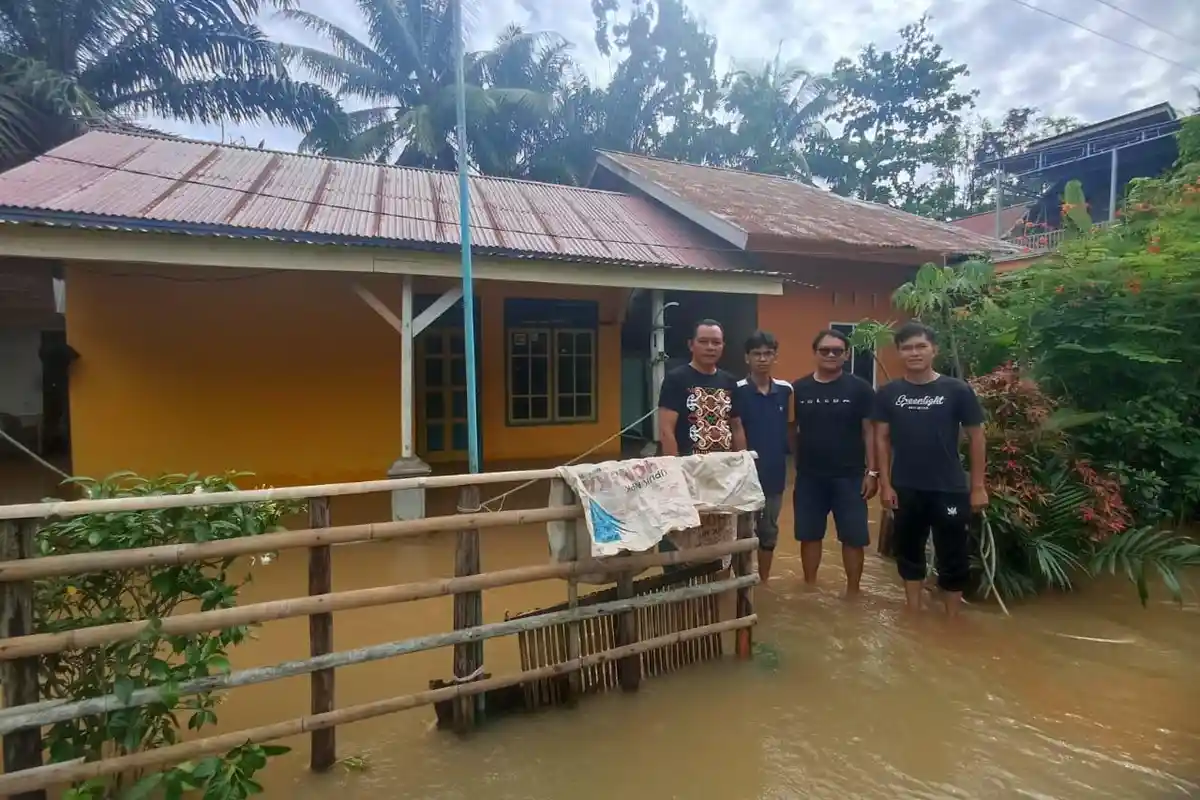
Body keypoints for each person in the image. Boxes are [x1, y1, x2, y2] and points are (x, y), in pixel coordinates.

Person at [872, 321, 987, 617]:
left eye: (921, 346)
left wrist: (978, 487)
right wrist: (885, 484)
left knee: (953, 555)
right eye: (907, 348)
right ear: (899, 352)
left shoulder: (957, 390)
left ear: (934, 350)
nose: (914, 353)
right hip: (906, 487)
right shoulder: (888, 393)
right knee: (909, 552)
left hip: (949, 486)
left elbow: (976, 437)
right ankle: (913, 612)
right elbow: (881, 438)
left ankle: (952, 620)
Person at [791, 329, 877, 594]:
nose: (831, 355)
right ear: (815, 353)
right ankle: (809, 589)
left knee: (854, 538)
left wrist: (873, 472)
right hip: (809, 476)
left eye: (837, 351)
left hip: (850, 476)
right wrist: (797, 463)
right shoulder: (798, 388)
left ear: (846, 355)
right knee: (809, 535)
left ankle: (853, 593)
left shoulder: (860, 388)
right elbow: (792, 429)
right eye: (825, 350)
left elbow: (870, 431)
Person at [733, 330, 792, 583]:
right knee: (741, 533)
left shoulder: (786, 391)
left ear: (775, 356)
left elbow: (791, 429)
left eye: (768, 353)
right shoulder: (736, 391)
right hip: (743, 477)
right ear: (747, 358)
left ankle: (764, 582)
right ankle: (741, 582)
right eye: (756, 354)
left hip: (774, 475)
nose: (762, 359)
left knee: (768, 531)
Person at [657, 318, 746, 457]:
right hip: (690, 465)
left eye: (716, 342)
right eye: (703, 341)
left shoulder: (730, 381)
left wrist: (742, 461)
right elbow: (666, 430)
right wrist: (674, 466)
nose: (710, 347)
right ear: (691, 345)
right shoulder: (676, 380)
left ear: (723, 346)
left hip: (724, 464)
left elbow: (736, 427)